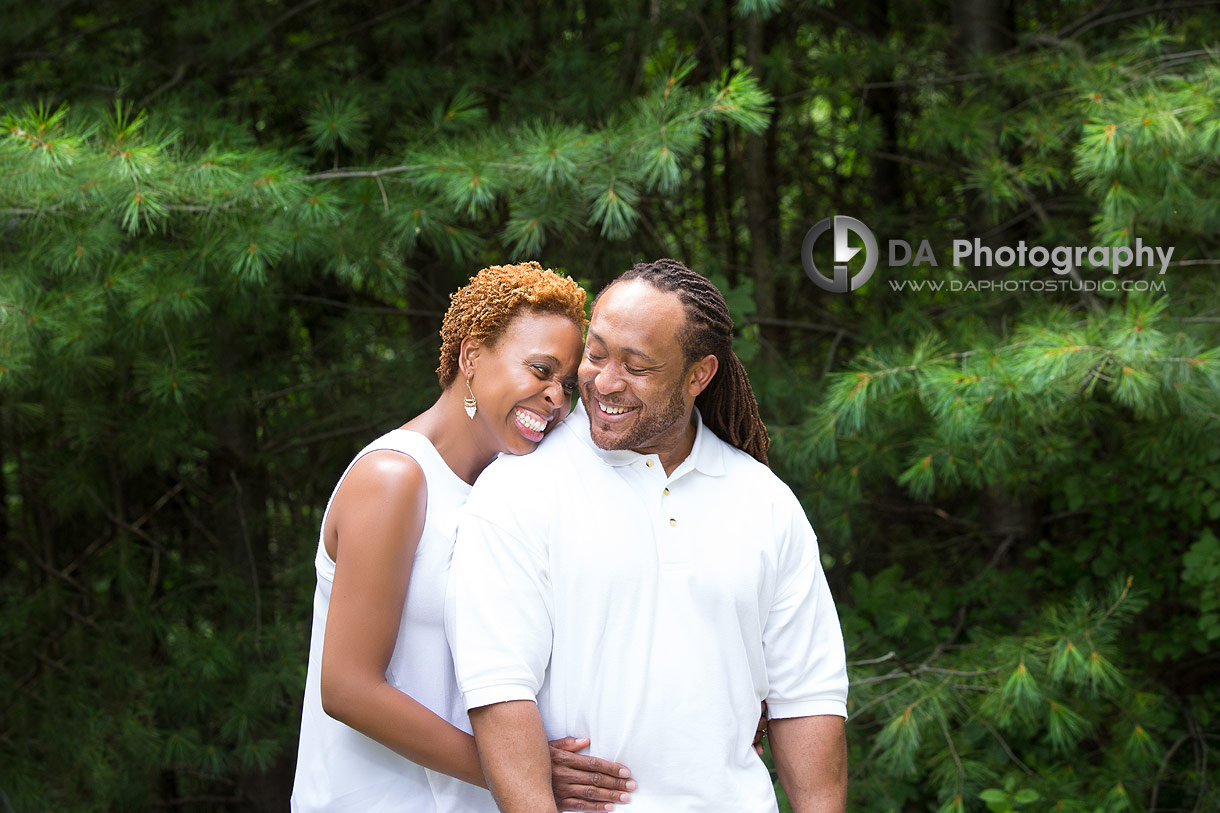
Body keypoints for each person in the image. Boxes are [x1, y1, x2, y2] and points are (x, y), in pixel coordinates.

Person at [447, 259, 849, 812]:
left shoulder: (766, 503)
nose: (604, 382)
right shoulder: (518, 490)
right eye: (596, 353)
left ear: (698, 375)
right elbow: (498, 690)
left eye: (636, 366)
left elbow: (807, 699)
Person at [292, 262, 638, 812]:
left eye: (566, 384)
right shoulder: (395, 479)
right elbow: (348, 688)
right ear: (471, 357)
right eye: (540, 370)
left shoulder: (513, 489)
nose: (556, 400)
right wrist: (524, 770)